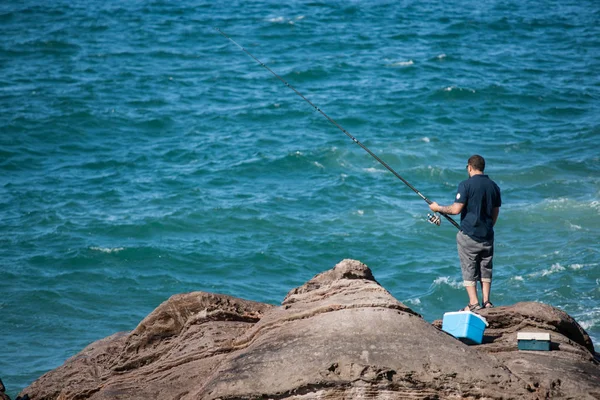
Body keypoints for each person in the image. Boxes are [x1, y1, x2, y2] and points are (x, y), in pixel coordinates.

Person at [429, 155, 501, 311]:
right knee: (486, 267)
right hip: (487, 235)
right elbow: (495, 212)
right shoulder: (494, 186)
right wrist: (488, 227)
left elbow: (455, 209)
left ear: (469, 167)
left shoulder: (465, 185)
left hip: (469, 236)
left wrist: (438, 208)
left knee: (469, 268)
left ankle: (474, 303)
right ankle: (487, 302)